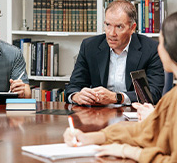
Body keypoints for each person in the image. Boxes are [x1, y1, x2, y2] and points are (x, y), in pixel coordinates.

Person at [64, 12, 177, 162]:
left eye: (162, 42)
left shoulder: (172, 98)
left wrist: (127, 151)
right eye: (107, 25)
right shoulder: (172, 96)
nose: (112, 33)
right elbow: (143, 130)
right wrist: (92, 137)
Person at [66, 0, 164, 105]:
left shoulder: (151, 49)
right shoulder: (89, 46)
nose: (111, 33)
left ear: (132, 28)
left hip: (135, 113)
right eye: (108, 25)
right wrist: (76, 96)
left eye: (119, 27)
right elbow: (73, 86)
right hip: (99, 114)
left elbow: (153, 93)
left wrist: (117, 97)